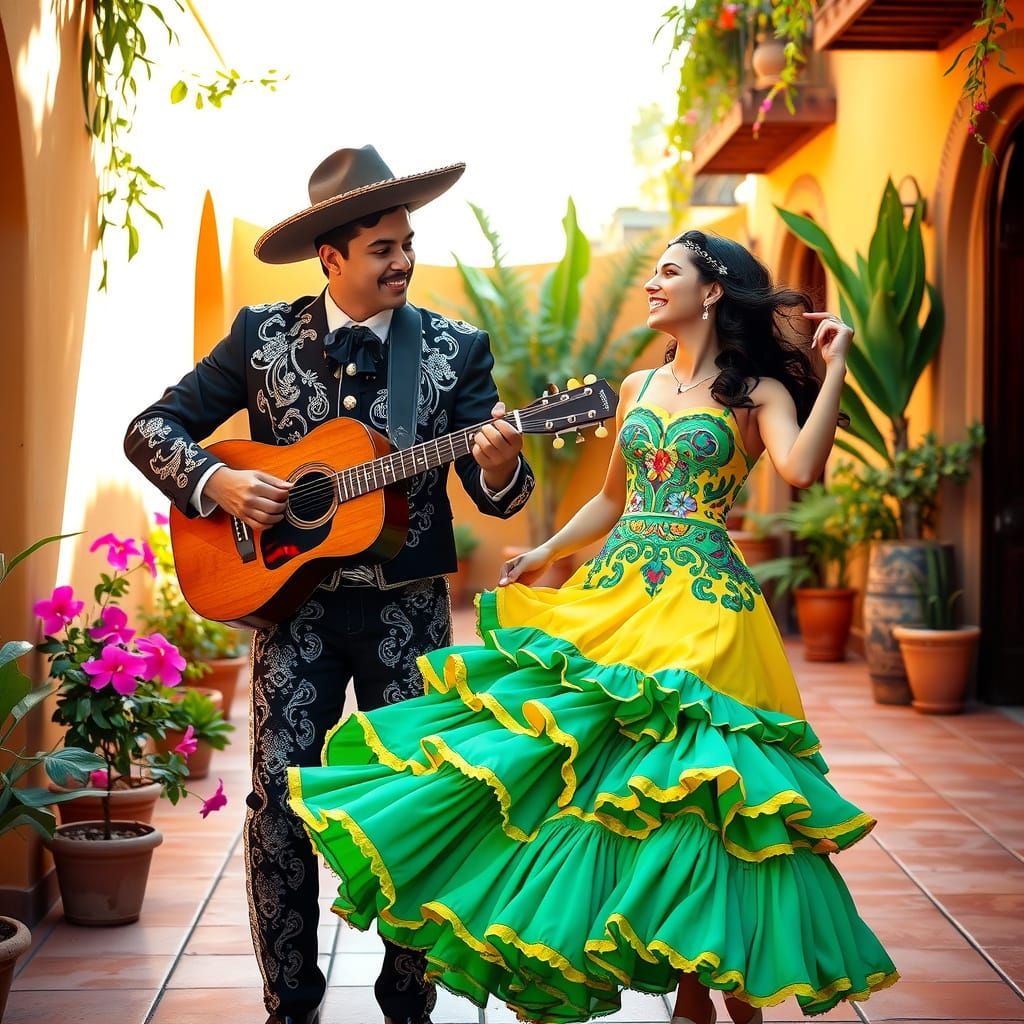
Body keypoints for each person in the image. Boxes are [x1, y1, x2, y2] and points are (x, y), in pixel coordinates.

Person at [285, 229, 899, 1024]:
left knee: (704, 793)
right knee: (612, 784)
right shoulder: (638, 386)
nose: (652, 282)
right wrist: (542, 549)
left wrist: (836, 369)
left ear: (710, 292)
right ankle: (687, 993)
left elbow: (802, 469)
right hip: (620, 596)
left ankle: (728, 992)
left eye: (668, 272)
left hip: (708, 610)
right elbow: (611, 500)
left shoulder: (757, 396)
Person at [124, 145, 536, 1024]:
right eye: (383, 246)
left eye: (408, 242)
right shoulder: (260, 337)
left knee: (418, 799)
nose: (403, 260)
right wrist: (217, 484)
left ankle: (408, 998)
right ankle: (292, 1002)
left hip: (407, 614)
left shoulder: (455, 348)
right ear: (332, 257)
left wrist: (502, 464)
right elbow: (151, 428)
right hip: (291, 610)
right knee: (279, 802)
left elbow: (493, 490)